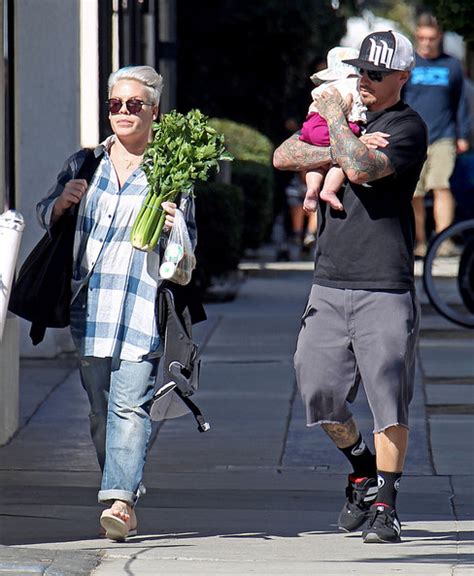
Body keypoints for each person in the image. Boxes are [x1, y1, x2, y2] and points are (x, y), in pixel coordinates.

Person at [273, 30, 428, 544]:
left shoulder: (407, 127)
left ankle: (386, 502)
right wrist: (342, 141)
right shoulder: (348, 121)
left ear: (402, 78)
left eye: (377, 74)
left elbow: (362, 168)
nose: (364, 80)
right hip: (329, 281)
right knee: (317, 389)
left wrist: (341, 135)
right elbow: (284, 155)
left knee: (389, 400)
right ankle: (360, 466)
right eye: (361, 70)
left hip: (384, 282)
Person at [36, 65, 197, 541]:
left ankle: (120, 500)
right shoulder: (85, 163)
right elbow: (46, 216)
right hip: (90, 308)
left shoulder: (172, 173)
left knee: (130, 407)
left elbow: (186, 263)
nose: (123, 113)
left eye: (134, 105)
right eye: (115, 104)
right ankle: (120, 480)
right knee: (99, 408)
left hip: (141, 307)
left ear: (154, 112)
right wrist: (63, 202)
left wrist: (173, 228)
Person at [403, 13, 470, 257]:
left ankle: (442, 241)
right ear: (416, 36)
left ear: (439, 37)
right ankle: (420, 243)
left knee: (442, 186)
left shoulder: (451, 65)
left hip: (443, 136)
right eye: (421, 38)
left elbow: (460, 102)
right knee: (415, 192)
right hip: (413, 137)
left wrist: (462, 135)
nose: (426, 43)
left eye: (431, 38)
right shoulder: (409, 65)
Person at [300, 46, 366, 213]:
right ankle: (328, 190)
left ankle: (311, 190)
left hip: (311, 126)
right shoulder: (353, 84)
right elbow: (348, 102)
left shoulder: (325, 85)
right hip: (330, 125)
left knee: (316, 165)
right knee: (343, 156)